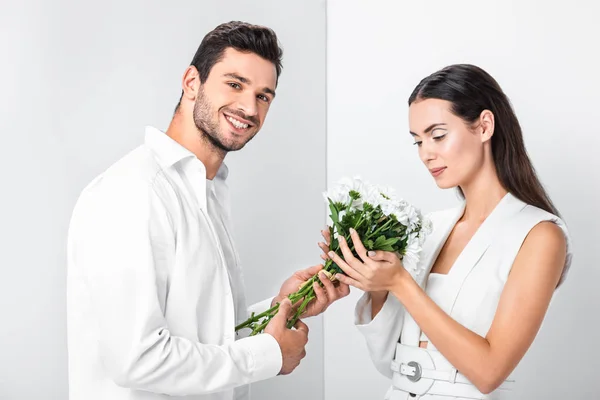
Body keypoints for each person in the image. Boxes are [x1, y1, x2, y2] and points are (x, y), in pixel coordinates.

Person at [66, 21, 349, 400]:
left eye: (264, 96)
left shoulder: (206, 190)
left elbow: (207, 336)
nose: (249, 107)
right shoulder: (133, 191)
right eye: (235, 84)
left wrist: (284, 306)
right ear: (191, 83)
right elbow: (137, 359)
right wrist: (269, 354)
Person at [320, 64, 572, 399]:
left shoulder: (539, 236)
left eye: (438, 135)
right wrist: (374, 285)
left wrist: (399, 282)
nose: (426, 153)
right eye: (417, 142)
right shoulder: (431, 228)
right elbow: (390, 363)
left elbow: (489, 372)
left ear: (484, 126)